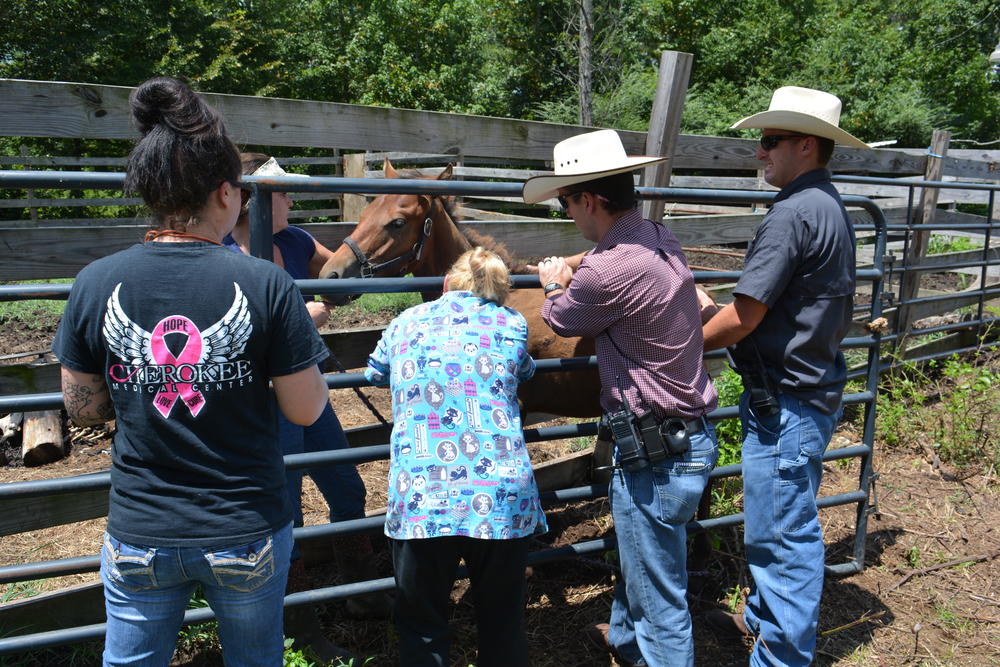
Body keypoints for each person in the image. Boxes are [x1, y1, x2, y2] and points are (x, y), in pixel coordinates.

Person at [52, 77, 330, 666]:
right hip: (245, 526)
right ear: (228, 194)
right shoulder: (265, 284)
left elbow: (83, 409)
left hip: (140, 528)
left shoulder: (96, 282)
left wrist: (144, 386)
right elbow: (305, 410)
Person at [525, 129, 719, 667]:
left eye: (565, 201)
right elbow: (610, 262)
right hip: (690, 433)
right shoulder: (660, 236)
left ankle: (655, 652)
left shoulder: (606, 271)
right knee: (643, 558)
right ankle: (625, 641)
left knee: (661, 597)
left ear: (588, 199)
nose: (565, 212)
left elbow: (561, 319)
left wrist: (554, 283)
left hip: (656, 451)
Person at [701, 86, 866, 666]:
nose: (759, 152)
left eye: (769, 142)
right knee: (780, 524)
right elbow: (780, 303)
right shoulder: (827, 206)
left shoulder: (792, 213)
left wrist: (684, 345)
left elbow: (746, 316)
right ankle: (768, 620)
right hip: (808, 390)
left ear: (804, 145)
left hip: (786, 401)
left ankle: (781, 657)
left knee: (781, 537)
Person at [226, 154, 389, 634]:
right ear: (249, 200)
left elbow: (341, 277)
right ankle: (297, 618)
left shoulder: (293, 241)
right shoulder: (221, 253)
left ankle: (360, 591)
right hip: (261, 399)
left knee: (345, 484)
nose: (291, 199)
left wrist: (353, 274)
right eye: (282, 193)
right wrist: (300, 316)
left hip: (307, 387)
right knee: (287, 504)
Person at [364, 247, 548, 667]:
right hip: (500, 497)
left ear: (447, 283)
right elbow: (525, 372)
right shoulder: (511, 322)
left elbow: (374, 372)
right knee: (502, 622)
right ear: (500, 293)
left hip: (424, 495)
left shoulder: (405, 321)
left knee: (422, 622)